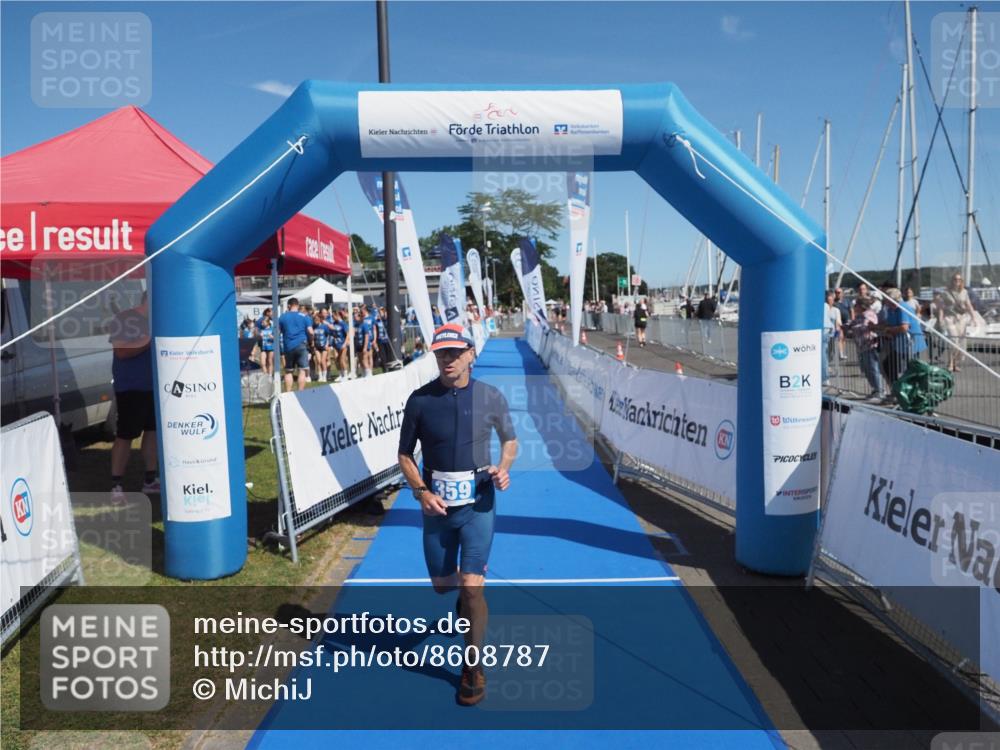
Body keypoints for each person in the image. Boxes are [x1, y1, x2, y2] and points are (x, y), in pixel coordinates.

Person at [398, 323, 518, 707]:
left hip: (478, 505)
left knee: (471, 587)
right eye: (440, 353)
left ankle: (473, 664)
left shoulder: (491, 396)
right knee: (443, 586)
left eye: (454, 352)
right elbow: (404, 455)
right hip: (436, 509)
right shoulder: (419, 400)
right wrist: (420, 492)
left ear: (470, 354)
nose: (447, 360)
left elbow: (510, 440)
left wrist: (503, 467)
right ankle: (462, 603)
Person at [107, 291, 158, 505]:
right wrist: (150, 340)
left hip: (153, 386)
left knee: (152, 432)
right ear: (148, 300)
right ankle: (116, 484)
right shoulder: (124, 318)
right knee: (126, 434)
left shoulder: (156, 319)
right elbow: (121, 351)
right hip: (131, 387)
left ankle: (150, 479)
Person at [846, 296, 885, 402]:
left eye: (856, 305)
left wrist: (854, 328)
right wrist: (847, 326)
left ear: (861, 306)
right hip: (862, 346)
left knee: (873, 369)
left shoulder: (869, 314)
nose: (854, 307)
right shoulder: (860, 315)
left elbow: (871, 326)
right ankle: (875, 389)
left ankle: (879, 391)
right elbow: (853, 324)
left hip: (871, 345)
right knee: (867, 369)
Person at [935, 273, 975, 372]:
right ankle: (950, 363)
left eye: (959, 279)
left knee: (961, 342)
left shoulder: (964, 292)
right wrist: (940, 320)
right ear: (951, 280)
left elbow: (969, 305)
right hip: (949, 318)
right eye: (955, 279)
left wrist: (974, 317)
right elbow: (941, 308)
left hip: (961, 319)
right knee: (954, 341)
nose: (957, 281)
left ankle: (955, 363)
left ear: (961, 281)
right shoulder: (945, 292)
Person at [278, 298, 313, 392]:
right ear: (297, 305)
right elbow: (311, 332)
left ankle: (288, 393)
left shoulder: (282, 317)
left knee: (288, 371)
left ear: (289, 305)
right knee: (302, 370)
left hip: (288, 346)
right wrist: (311, 342)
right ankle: (300, 393)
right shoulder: (305, 316)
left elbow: (277, 332)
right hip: (302, 344)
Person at [902, 287, 927, 362]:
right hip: (907, 323)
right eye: (907, 292)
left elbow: (918, 310)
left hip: (914, 323)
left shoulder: (914, 301)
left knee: (916, 343)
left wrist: (917, 315)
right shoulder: (903, 302)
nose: (908, 293)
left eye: (909, 292)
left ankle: (916, 359)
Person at [823, 290, 842, 385]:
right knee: (825, 355)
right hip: (826, 334)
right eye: (829, 298)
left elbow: (838, 322)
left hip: (832, 334)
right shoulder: (824, 307)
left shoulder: (836, 310)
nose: (830, 300)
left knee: (830, 354)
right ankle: (825, 374)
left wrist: (838, 331)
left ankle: (825, 371)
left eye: (832, 298)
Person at [833, 288, 851, 360]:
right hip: (838, 322)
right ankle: (840, 354)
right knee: (840, 336)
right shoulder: (834, 302)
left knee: (843, 338)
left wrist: (852, 320)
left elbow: (851, 310)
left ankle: (842, 352)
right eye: (836, 292)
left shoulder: (847, 301)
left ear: (842, 293)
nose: (838, 294)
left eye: (839, 292)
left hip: (846, 322)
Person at [311, 312, 329, 383]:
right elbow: (312, 336)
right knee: (318, 361)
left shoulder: (324, 326)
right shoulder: (313, 327)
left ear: (320, 319)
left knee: (323, 361)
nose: (316, 320)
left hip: (324, 346)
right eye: (315, 319)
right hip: (317, 346)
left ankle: (325, 376)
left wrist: (327, 344)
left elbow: (328, 335)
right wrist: (313, 343)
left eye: (317, 319)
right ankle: (320, 376)